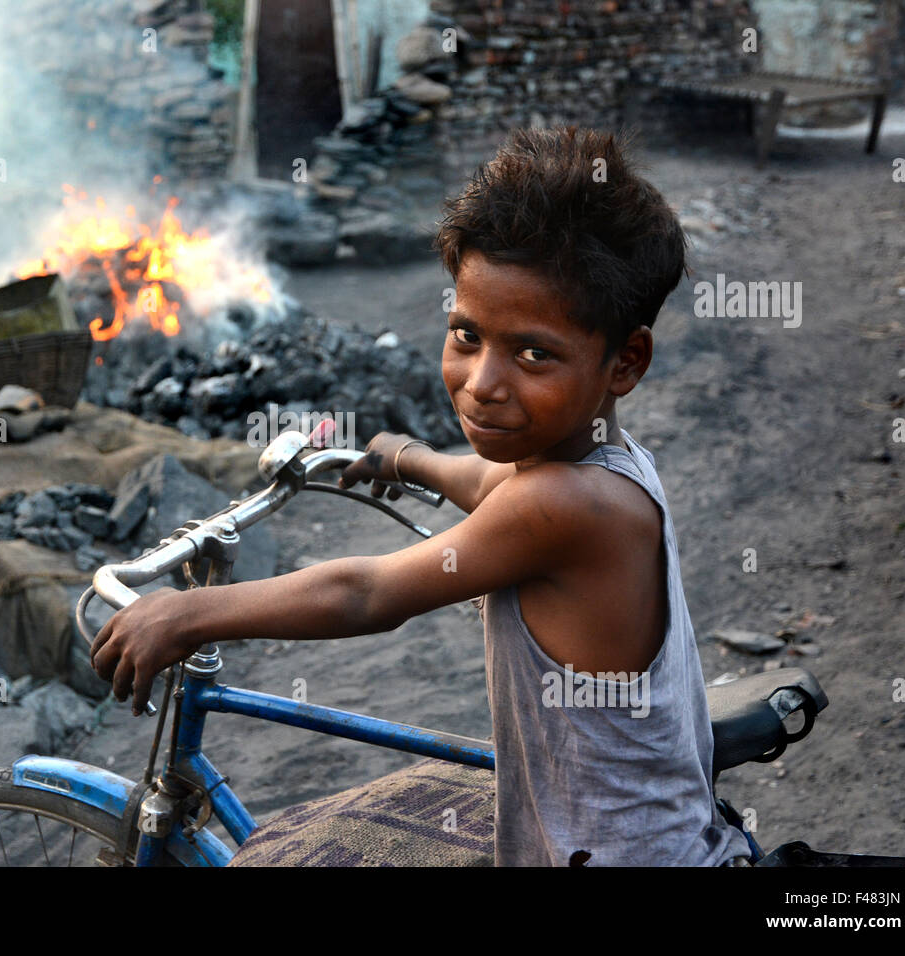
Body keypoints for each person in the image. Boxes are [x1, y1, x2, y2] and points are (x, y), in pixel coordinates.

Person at [91, 127, 751, 866]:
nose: (482, 382)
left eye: (533, 354)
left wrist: (189, 613)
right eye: (467, 334)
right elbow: (487, 480)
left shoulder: (566, 506)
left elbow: (365, 592)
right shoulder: (596, 463)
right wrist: (408, 458)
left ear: (626, 361)